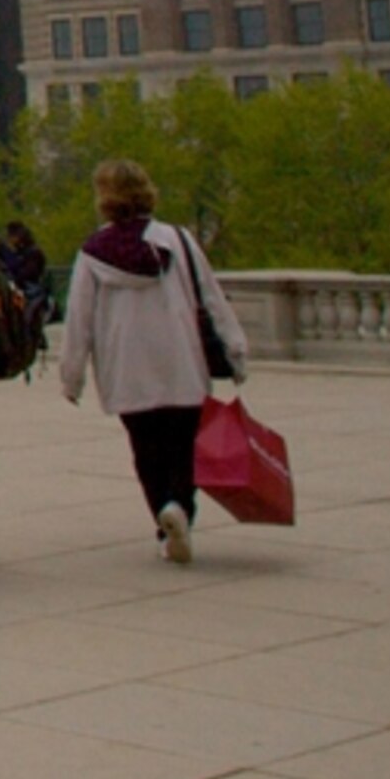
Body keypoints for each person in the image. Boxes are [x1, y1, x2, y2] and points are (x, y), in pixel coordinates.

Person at [59, 158, 251, 565]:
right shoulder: (177, 241)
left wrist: (71, 376)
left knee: (146, 448)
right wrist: (235, 349)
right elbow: (211, 298)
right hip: (181, 358)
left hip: (126, 365)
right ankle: (180, 506)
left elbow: (79, 320)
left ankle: (163, 516)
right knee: (182, 445)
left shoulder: (93, 252)